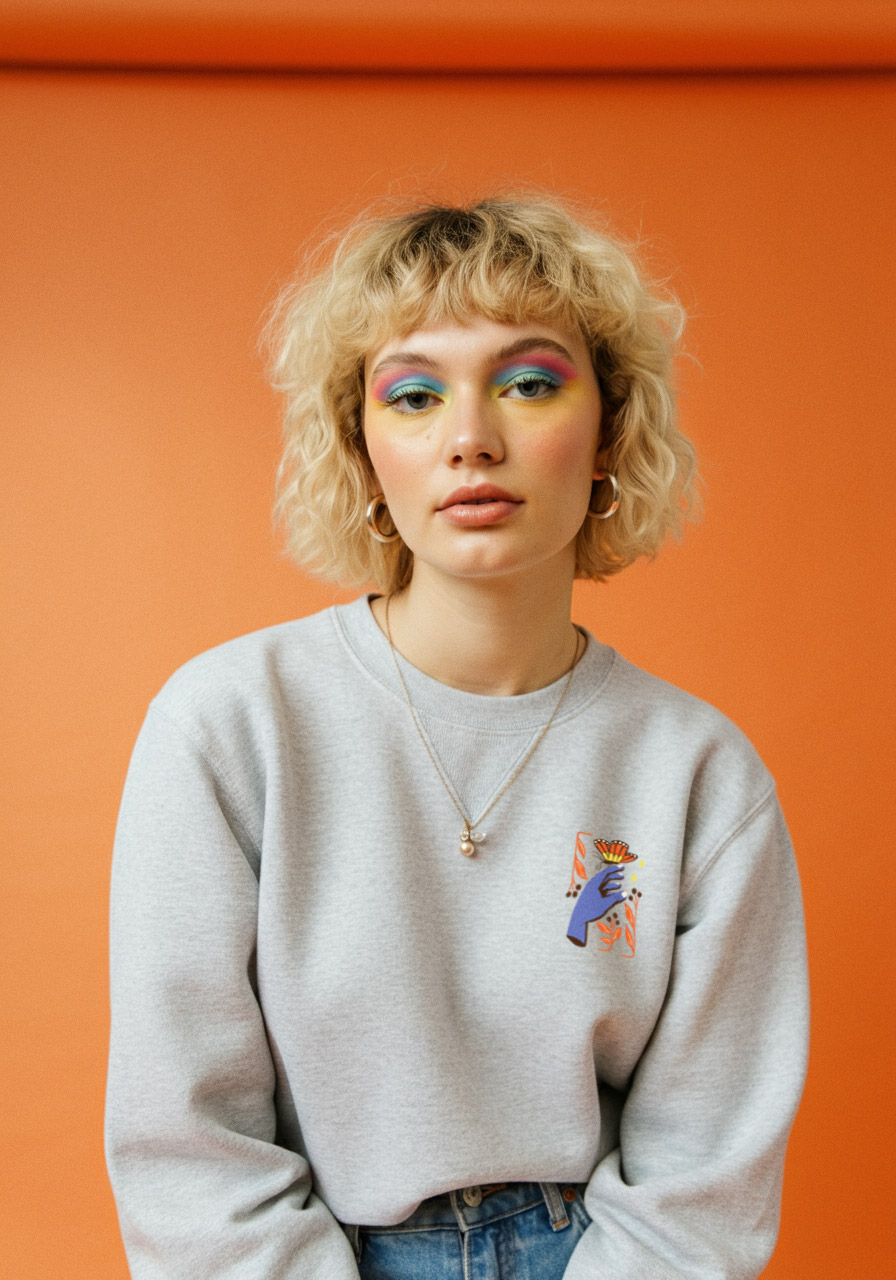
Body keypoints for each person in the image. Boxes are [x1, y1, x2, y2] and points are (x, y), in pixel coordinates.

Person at [105, 196, 809, 1280]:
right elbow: (186, 1138)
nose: (470, 436)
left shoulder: (698, 774)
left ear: (611, 428)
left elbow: (702, 1172)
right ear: (360, 446)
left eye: (528, 382)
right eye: (415, 394)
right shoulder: (230, 724)